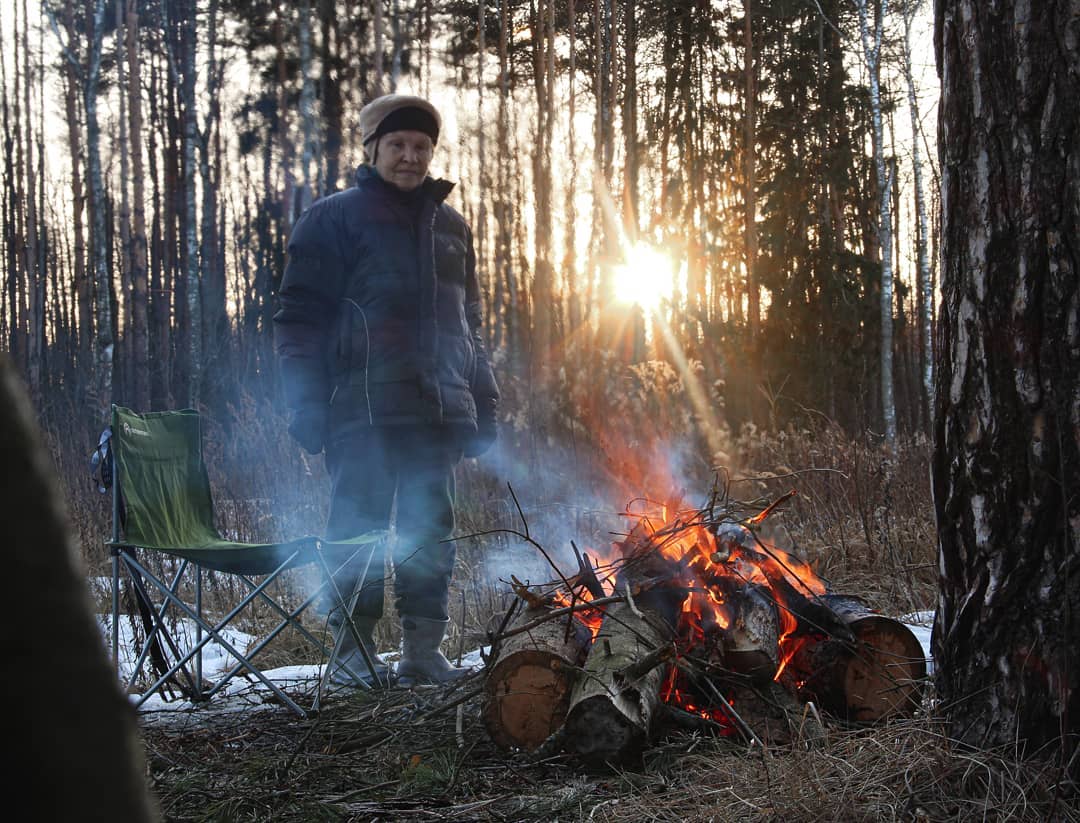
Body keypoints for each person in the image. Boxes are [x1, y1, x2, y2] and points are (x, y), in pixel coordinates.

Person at [273, 93, 499, 687]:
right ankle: (351, 654)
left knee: (430, 534)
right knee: (356, 533)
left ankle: (422, 653)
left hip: (437, 413)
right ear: (371, 149)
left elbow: (468, 325)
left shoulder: (452, 227)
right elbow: (299, 320)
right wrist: (304, 402)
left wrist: (486, 402)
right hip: (361, 413)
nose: (410, 156)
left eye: (421, 146)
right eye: (397, 145)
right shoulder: (331, 219)